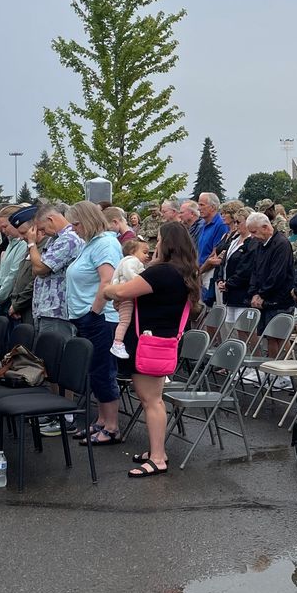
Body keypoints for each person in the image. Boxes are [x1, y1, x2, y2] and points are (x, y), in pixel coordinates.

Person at [104, 221, 200, 478]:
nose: (155, 244)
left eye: (158, 239)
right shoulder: (182, 272)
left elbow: (122, 291)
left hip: (149, 343)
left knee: (152, 401)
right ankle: (155, 451)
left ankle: (158, 457)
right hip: (162, 340)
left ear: (166, 243)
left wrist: (107, 288)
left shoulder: (162, 273)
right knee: (151, 400)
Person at [64, 200, 124, 445]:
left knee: (102, 371)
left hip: (101, 319)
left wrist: (94, 312)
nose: (73, 229)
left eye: (76, 224)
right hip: (88, 317)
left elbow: (107, 282)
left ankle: (112, 427)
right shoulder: (92, 243)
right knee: (95, 371)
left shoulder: (106, 244)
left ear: (88, 221)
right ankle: (101, 421)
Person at [24, 203, 84, 339]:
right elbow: (35, 269)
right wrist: (38, 265)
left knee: (54, 355)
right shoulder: (54, 240)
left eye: (43, 229)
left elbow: (40, 268)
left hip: (58, 312)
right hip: (45, 310)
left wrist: (32, 244)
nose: (42, 233)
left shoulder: (69, 239)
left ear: (51, 219)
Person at [246, 212, 294, 329]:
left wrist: (262, 294)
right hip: (263, 300)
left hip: (278, 300)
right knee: (267, 336)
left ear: (265, 227)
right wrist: (254, 293)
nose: (252, 236)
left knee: (278, 337)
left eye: (254, 232)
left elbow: (277, 274)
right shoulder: (260, 244)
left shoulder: (281, 244)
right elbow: (255, 271)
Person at [109, 239, 149, 359]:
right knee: (125, 320)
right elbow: (130, 274)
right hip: (127, 296)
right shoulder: (131, 261)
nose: (147, 255)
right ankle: (118, 343)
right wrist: (141, 282)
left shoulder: (125, 261)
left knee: (125, 319)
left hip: (124, 295)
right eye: (145, 252)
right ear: (133, 252)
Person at [218, 208, 258, 323]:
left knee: (243, 328)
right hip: (229, 294)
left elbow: (246, 269)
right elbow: (224, 261)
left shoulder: (252, 242)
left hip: (242, 294)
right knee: (229, 326)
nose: (235, 225)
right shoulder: (234, 240)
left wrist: (229, 284)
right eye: (234, 221)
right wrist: (220, 279)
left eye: (238, 222)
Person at [196, 193, 228, 305]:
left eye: (202, 205)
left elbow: (215, 253)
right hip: (202, 269)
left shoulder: (220, 225)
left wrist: (199, 272)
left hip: (210, 271)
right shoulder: (204, 224)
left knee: (210, 306)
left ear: (213, 207)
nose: (198, 208)